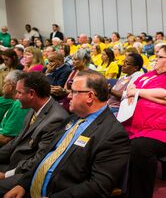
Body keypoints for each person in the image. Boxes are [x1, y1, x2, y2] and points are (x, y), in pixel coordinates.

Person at [5, 70, 130, 198]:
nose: (68, 96)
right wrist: (23, 184)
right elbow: (45, 155)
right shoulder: (72, 119)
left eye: (73, 91)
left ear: (90, 96)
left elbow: (98, 186)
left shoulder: (113, 135)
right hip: (31, 188)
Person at [122, 45, 166, 198]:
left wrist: (139, 93)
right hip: (134, 125)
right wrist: (135, 89)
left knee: (139, 149)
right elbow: (132, 87)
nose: (155, 59)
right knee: (108, 138)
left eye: (160, 57)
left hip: (163, 130)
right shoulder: (150, 74)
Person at [0, 72, 68, 195]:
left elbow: (39, 159)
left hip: (27, 174)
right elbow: (16, 141)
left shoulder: (56, 118)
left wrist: (6, 175)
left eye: (19, 93)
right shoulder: (33, 108)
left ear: (31, 94)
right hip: (14, 163)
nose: (15, 97)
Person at [0, 71, 29, 147]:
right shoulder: (15, 103)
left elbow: (6, 139)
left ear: (10, 86)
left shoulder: (19, 105)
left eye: (4, 83)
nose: (2, 87)